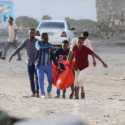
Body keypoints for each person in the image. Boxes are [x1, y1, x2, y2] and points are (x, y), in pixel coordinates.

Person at [9, 28, 39, 97]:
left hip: (36, 63)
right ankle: (33, 92)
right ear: (28, 33)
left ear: (35, 33)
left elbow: (41, 51)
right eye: (31, 32)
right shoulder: (26, 41)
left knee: (37, 78)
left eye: (33, 33)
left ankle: (37, 92)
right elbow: (19, 48)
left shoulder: (37, 41)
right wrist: (12, 55)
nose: (32, 34)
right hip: (29, 63)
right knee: (31, 78)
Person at [35, 33, 55, 98]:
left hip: (48, 65)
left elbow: (52, 55)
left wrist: (56, 63)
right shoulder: (38, 43)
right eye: (45, 38)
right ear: (41, 38)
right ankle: (42, 94)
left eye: (47, 38)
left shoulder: (50, 45)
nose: (46, 39)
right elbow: (39, 48)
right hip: (40, 65)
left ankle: (48, 91)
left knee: (50, 80)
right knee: (41, 79)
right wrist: (49, 47)